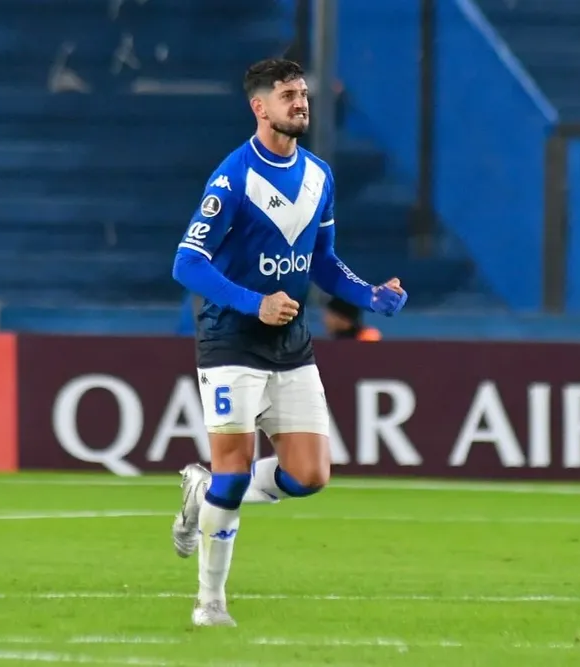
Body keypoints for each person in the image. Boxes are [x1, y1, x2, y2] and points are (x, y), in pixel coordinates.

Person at [168, 58, 408, 627]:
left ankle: (202, 493)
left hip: (292, 343)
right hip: (232, 340)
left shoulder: (320, 175)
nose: (301, 103)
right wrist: (255, 303)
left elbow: (322, 262)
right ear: (260, 107)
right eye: (288, 95)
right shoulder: (232, 176)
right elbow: (186, 262)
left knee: (311, 475)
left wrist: (370, 295)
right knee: (235, 470)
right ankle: (210, 603)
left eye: (303, 94)